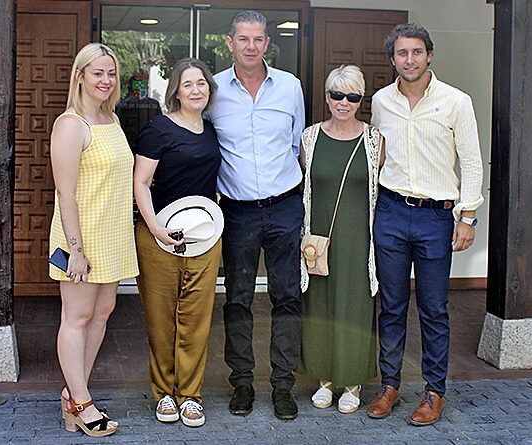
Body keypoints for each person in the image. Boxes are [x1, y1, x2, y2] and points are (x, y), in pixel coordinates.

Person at [367, 23, 484, 426]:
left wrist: (467, 216)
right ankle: (390, 387)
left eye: (417, 52)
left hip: (437, 216)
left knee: (434, 308)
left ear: (429, 55)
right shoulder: (382, 101)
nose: (410, 59)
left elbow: (470, 161)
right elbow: (378, 155)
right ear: (393, 58)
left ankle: (434, 392)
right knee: (392, 306)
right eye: (402, 53)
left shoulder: (456, 101)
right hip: (392, 212)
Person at [207, 10, 305, 421]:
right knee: (238, 300)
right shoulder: (211, 90)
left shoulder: (290, 87)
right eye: (243, 38)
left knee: (287, 297)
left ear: (268, 43)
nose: (251, 46)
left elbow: (300, 145)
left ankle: (283, 385)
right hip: (237, 212)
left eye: (258, 39)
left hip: (284, 206)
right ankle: (242, 383)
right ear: (229, 42)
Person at [48, 42, 138, 437]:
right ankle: (82, 404)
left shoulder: (112, 120)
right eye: (97, 73)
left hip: (112, 234)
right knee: (77, 317)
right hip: (79, 240)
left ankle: (74, 394)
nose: (105, 80)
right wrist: (76, 252)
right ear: (80, 76)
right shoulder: (71, 125)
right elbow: (65, 194)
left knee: (102, 313)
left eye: (110, 73)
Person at [132, 58, 222, 428]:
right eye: (188, 84)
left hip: (203, 239)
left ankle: (191, 396)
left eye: (202, 83)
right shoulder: (158, 129)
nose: (196, 90)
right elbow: (140, 182)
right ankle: (164, 394)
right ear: (176, 92)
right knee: (161, 319)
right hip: (159, 236)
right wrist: (153, 226)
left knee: (196, 322)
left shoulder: (212, 130)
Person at [298, 65, 383, 414]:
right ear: (327, 96)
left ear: (361, 99)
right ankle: (325, 380)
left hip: (359, 239)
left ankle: (352, 382)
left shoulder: (375, 140)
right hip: (319, 239)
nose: (343, 102)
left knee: (355, 308)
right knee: (319, 304)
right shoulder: (310, 137)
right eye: (337, 94)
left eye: (352, 96)